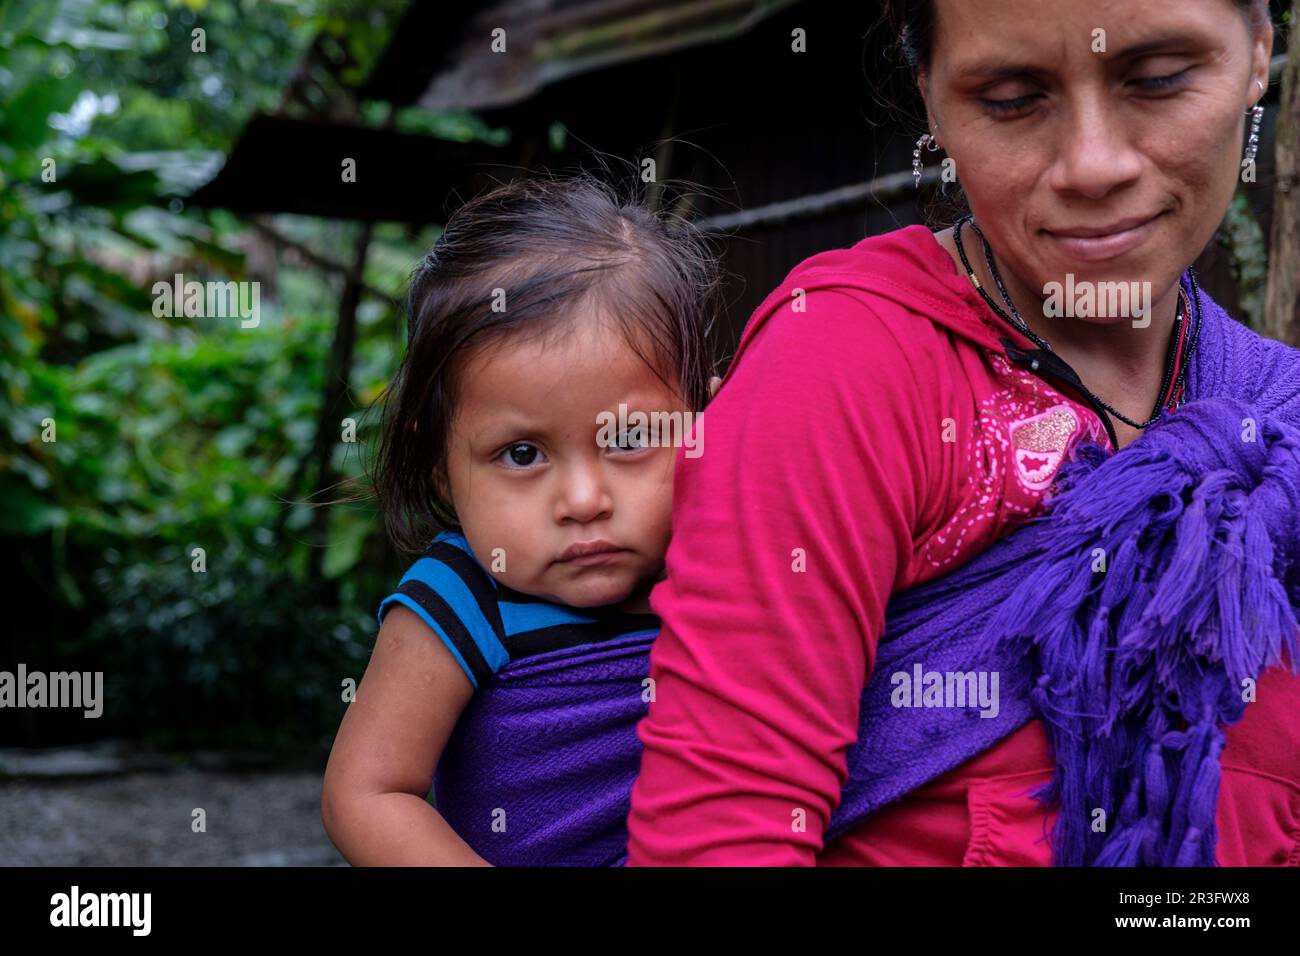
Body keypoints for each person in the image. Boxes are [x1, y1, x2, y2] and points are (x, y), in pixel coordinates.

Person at [626, 0, 1300, 865]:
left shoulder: (1275, 418)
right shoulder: (845, 368)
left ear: (1257, 56)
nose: (1092, 164)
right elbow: (721, 837)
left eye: (1160, 79)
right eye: (1013, 97)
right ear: (932, 102)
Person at [320, 172, 720, 865]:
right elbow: (368, 794)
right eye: (523, 453)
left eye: (629, 439)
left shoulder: (729, 563)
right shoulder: (463, 594)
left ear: (706, 422)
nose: (584, 499)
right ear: (443, 464)